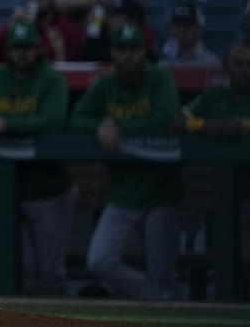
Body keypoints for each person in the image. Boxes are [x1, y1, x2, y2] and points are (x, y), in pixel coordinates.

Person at [70, 24, 182, 300]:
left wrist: (117, 126)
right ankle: (159, 296)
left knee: (162, 273)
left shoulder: (159, 78)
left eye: (134, 49)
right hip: (123, 194)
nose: (129, 55)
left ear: (144, 51)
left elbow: (166, 120)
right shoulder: (106, 85)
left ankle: (161, 294)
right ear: (113, 53)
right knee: (99, 261)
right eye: (122, 49)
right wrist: (98, 127)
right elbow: (75, 119)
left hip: (161, 194)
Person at [0, 22, 74, 294]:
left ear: (38, 49)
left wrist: (6, 124)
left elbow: (52, 120)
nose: (22, 54)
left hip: (49, 191)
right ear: (8, 51)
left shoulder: (52, 79)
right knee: (20, 273)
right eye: (17, 48)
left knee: (50, 275)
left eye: (27, 47)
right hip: (7, 194)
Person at [175, 42, 250, 295]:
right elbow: (178, 121)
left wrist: (242, 126)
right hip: (230, 202)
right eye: (239, 64)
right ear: (227, 68)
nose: (245, 70)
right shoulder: (214, 97)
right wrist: (205, 126)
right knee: (244, 269)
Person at [0, 0, 84, 63]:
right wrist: (10, 25)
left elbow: (71, 66)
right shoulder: (19, 27)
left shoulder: (66, 28)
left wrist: (59, 52)